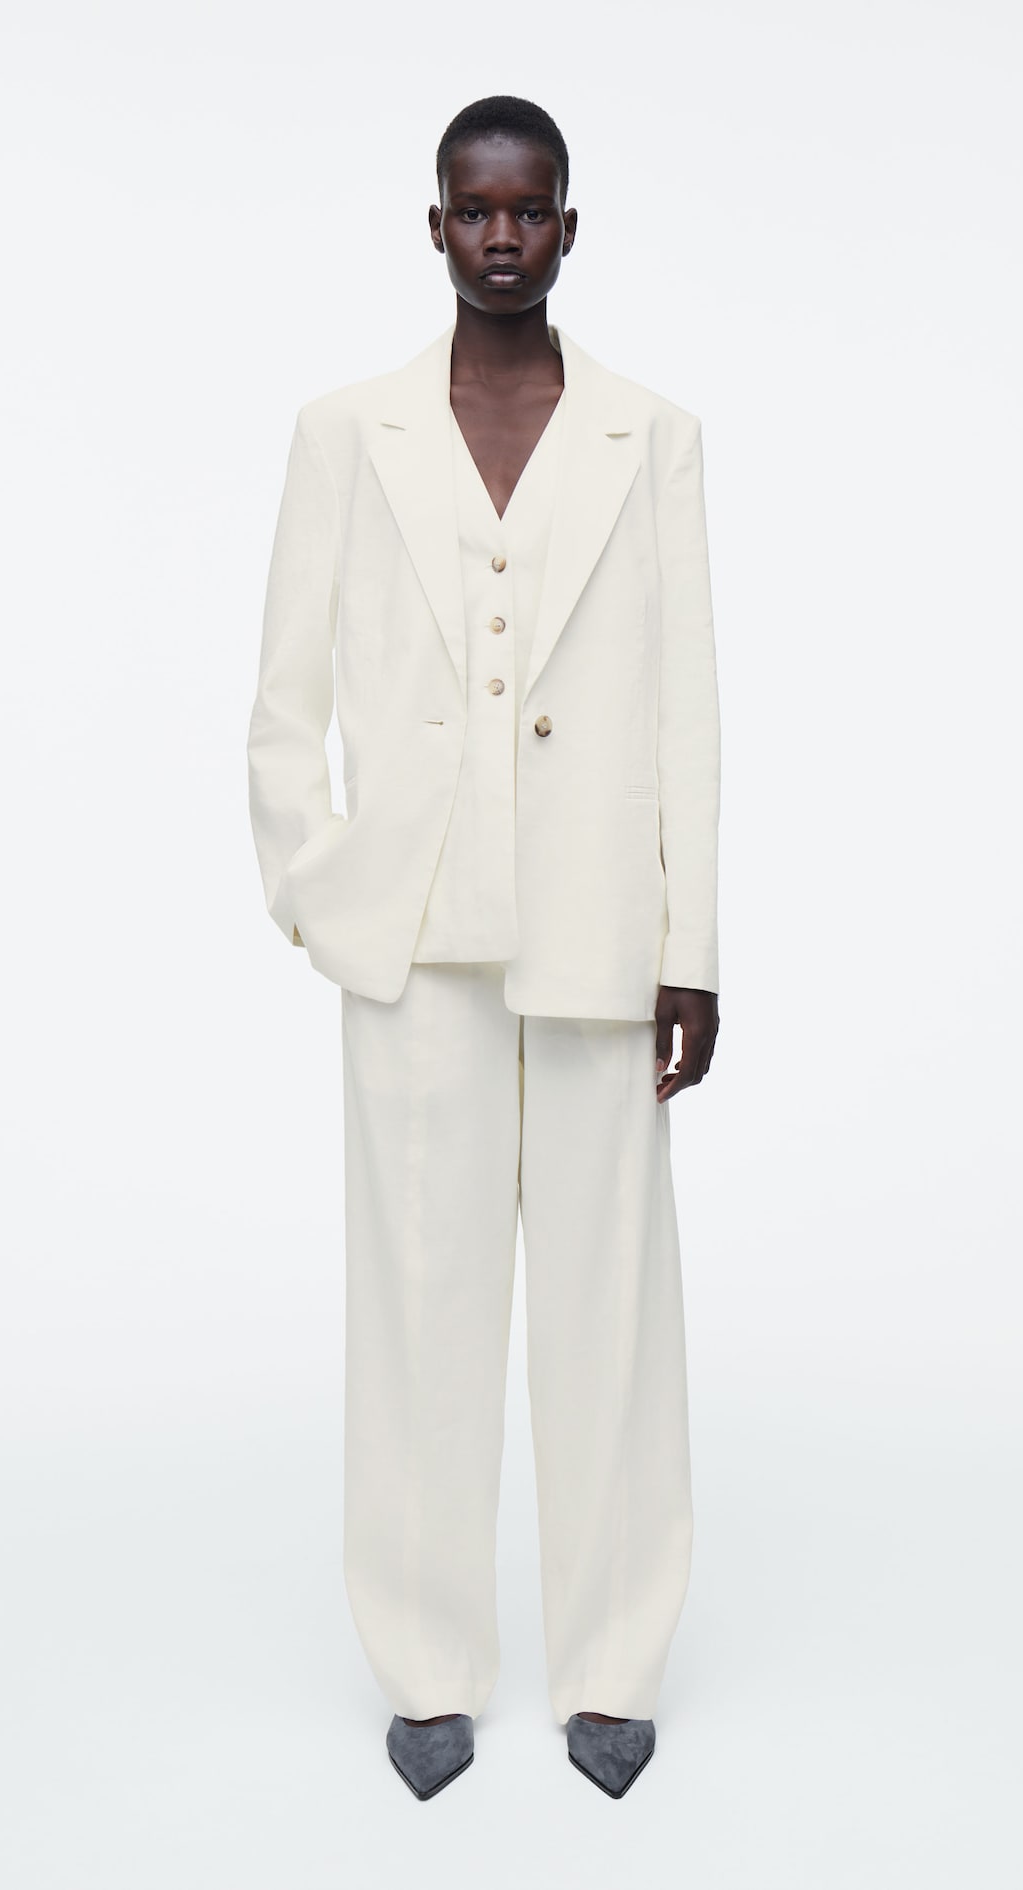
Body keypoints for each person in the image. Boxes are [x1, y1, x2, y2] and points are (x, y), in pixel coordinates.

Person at [247, 94, 721, 1801]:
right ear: (435, 225)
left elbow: (686, 706)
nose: (503, 235)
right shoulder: (346, 433)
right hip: (415, 936)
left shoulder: (651, 437)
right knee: (419, 1307)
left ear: (569, 227)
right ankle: (427, 1662)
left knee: (611, 1312)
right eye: (475, 208)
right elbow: (283, 700)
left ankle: (612, 1661)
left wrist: (691, 939)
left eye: (530, 209)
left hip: (599, 933)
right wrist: (323, 887)